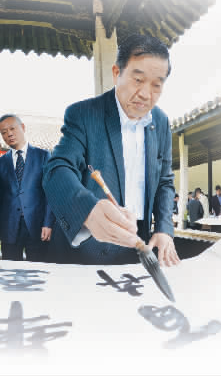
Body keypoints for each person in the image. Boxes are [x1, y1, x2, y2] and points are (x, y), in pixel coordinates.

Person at [43, 33, 180, 266]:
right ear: (117, 73)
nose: (146, 94)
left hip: (135, 247)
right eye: (138, 80)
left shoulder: (161, 122)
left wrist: (164, 228)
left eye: (156, 85)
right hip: (85, 251)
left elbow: (164, 181)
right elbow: (57, 169)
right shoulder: (84, 114)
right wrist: (87, 209)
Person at [0, 114, 54, 262]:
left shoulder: (43, 156)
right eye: (4, 132)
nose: (9, 134)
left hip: (37, 226)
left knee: (38, 269)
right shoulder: (0, 163)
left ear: (23, 127)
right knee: (9, 270)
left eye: (12, 128)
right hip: (8, 226)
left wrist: (48, 223)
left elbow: (50, 194)